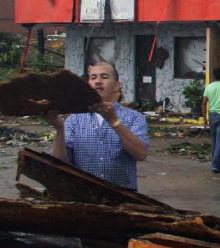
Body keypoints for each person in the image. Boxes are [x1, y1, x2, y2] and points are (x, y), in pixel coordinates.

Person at [46, 61, 149, 190]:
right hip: (82, 194)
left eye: (104, 77)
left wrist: (114, 122)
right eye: (93, 77)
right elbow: (59, 163)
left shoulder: (134, 118)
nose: (98, 81)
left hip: (122, 195)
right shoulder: (74, 119)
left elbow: (140, 154)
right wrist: (59, 130)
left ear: (117, 86)